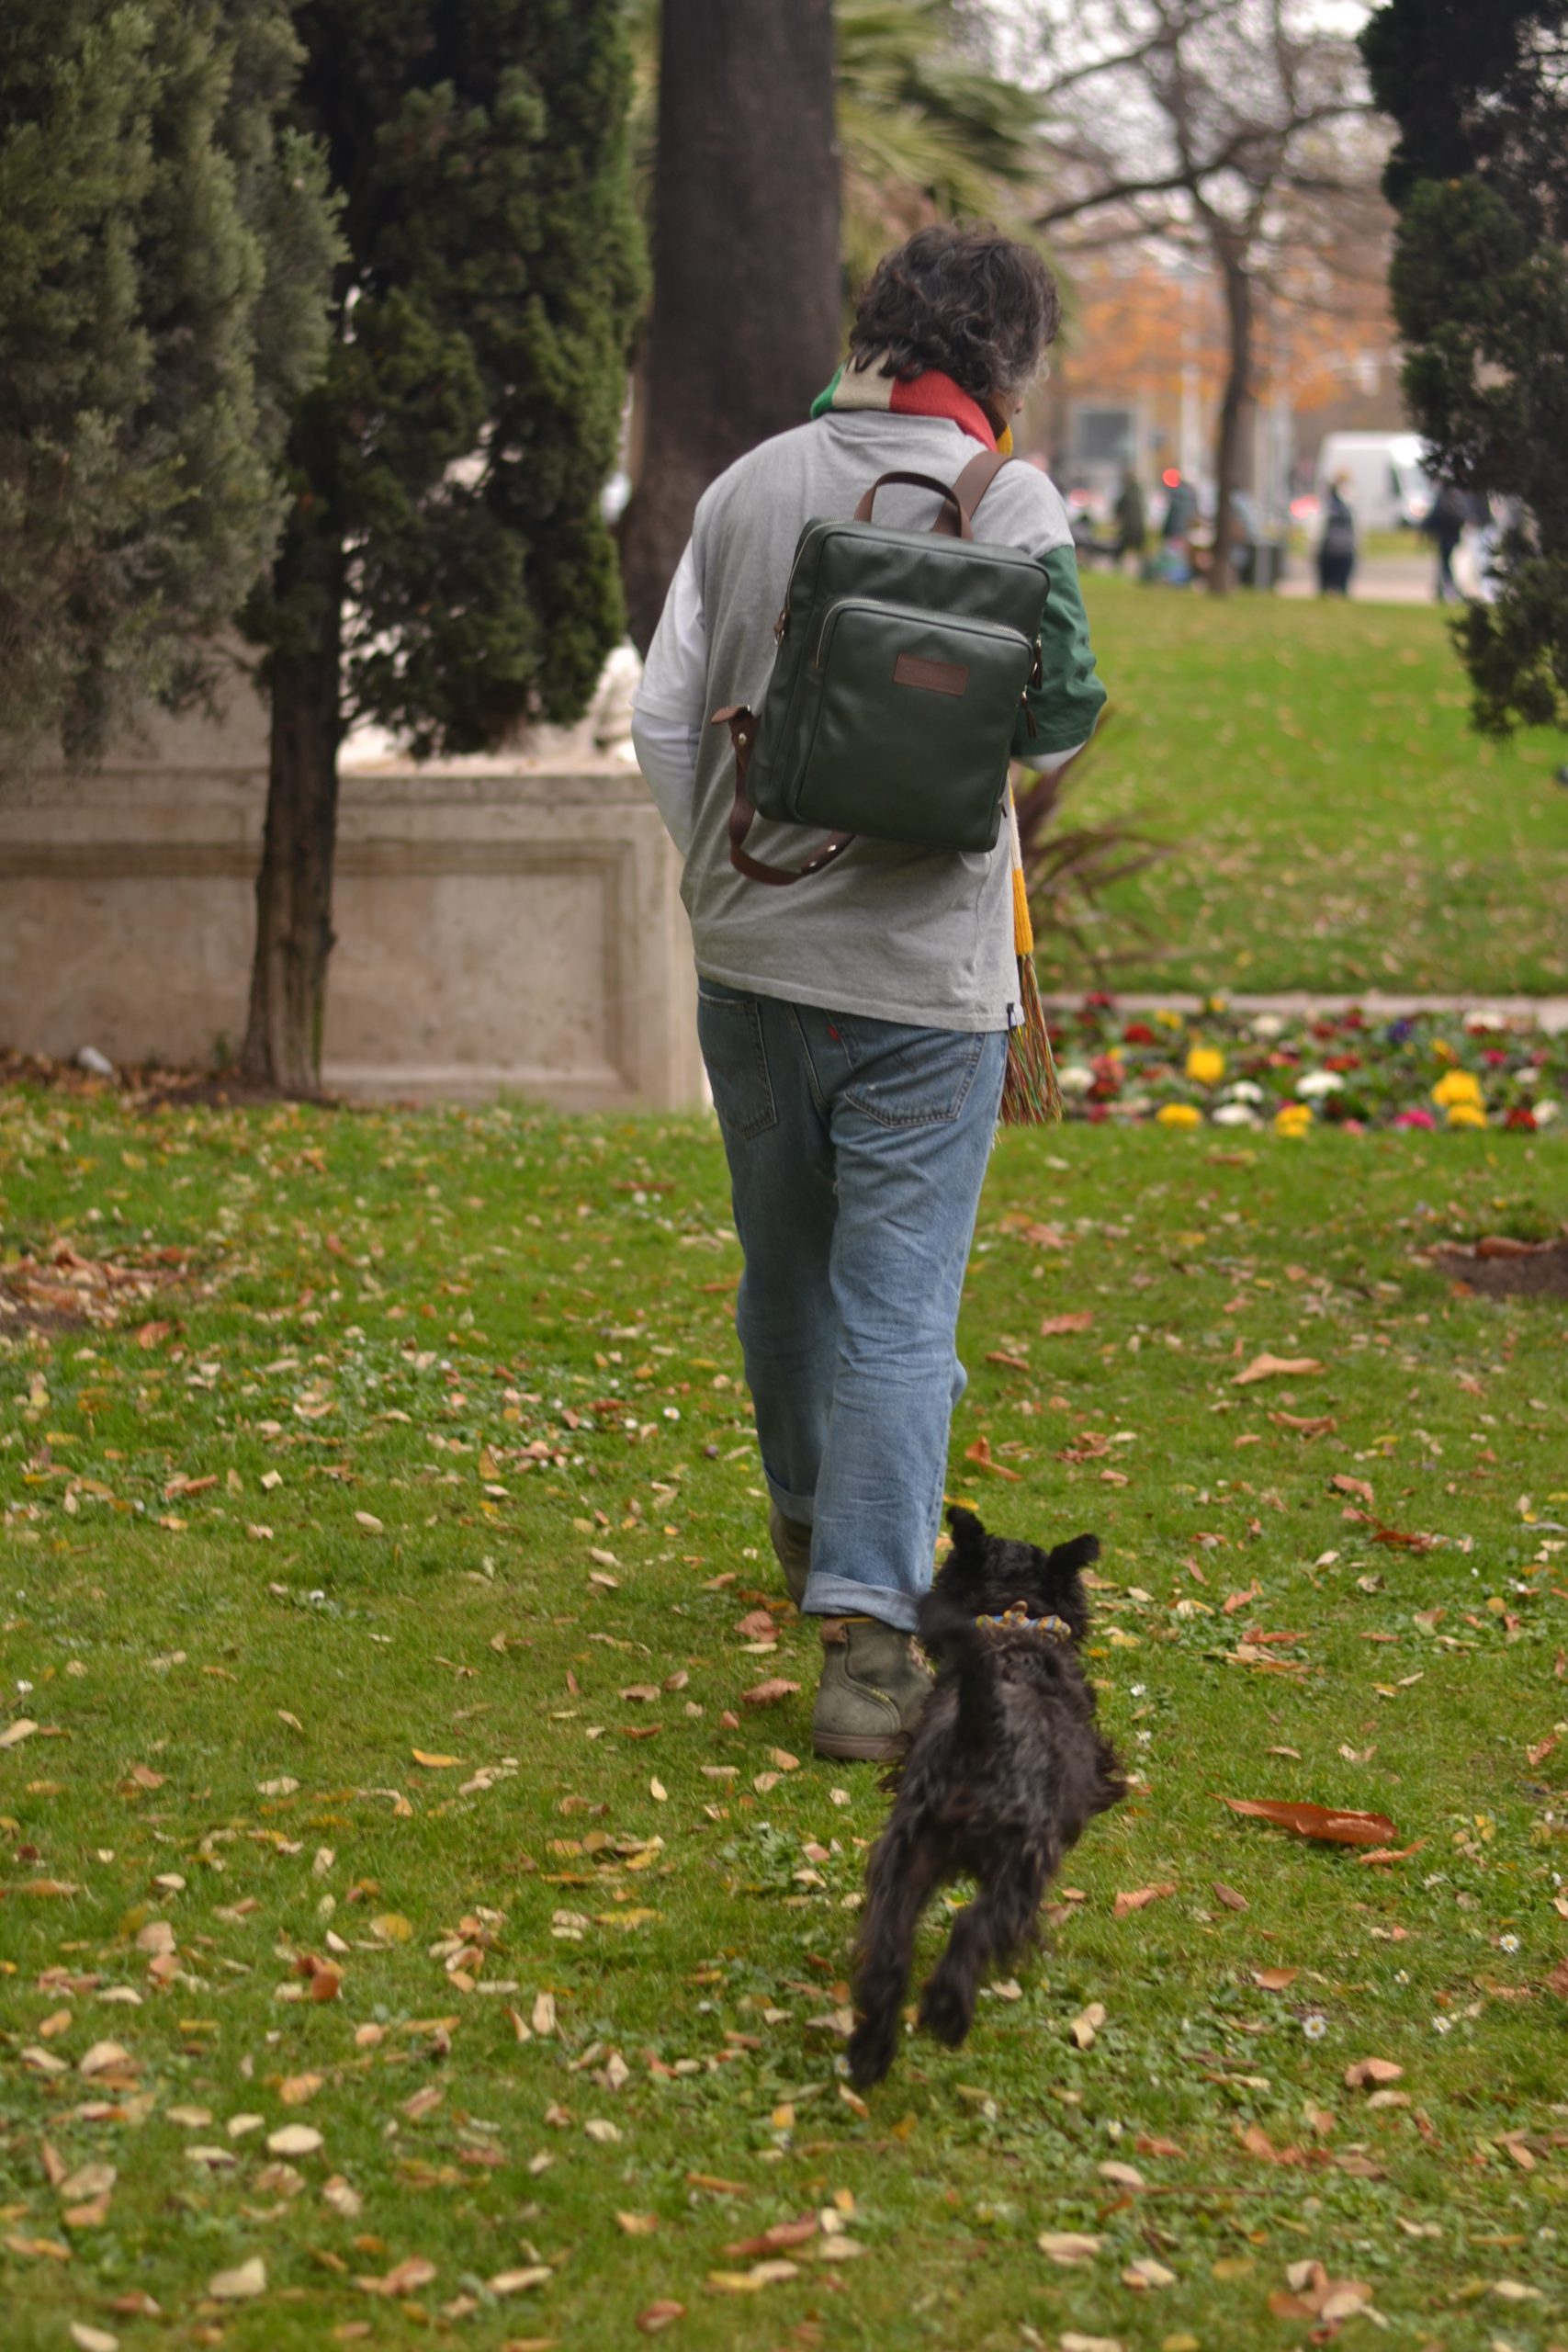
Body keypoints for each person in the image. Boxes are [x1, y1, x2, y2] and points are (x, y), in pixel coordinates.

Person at [630, 224, 1106, 1763]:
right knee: (899, 1311)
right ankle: (869, 1652)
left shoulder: (747, 484)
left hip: (750, 965)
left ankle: (804, 1522)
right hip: (921, 985)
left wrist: (723, 880)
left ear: (872, 335)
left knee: (784, 1274)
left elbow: (662, 718)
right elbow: (1054, 726)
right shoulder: (1008, 501)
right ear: (1002, 366)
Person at [1425, 482, 1468, 604]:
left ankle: (1446, 589)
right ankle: (1441, 588)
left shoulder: (1443, 502)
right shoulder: (1456, 501)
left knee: (1445, 564)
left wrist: (1427, 531)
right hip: (1451, 538)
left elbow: (1433, 517)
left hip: (1444, 538)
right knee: (1445, 563)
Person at [1316, 474, 1356, 595]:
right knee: (1337, 586)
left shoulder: (1330, 505)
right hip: (1340, 548)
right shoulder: (1344, 505)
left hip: (1334, 548)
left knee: (1329, 585)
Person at [1114, 468, 1146, 571]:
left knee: (1122, 547)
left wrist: (1117, 519)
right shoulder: (1139, 491)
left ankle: (1117, 565)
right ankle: (1142, 569)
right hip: (1139, 524)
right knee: (1138, 549)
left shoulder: (1127, 492)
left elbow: (1119, 507)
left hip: (1129, 525)